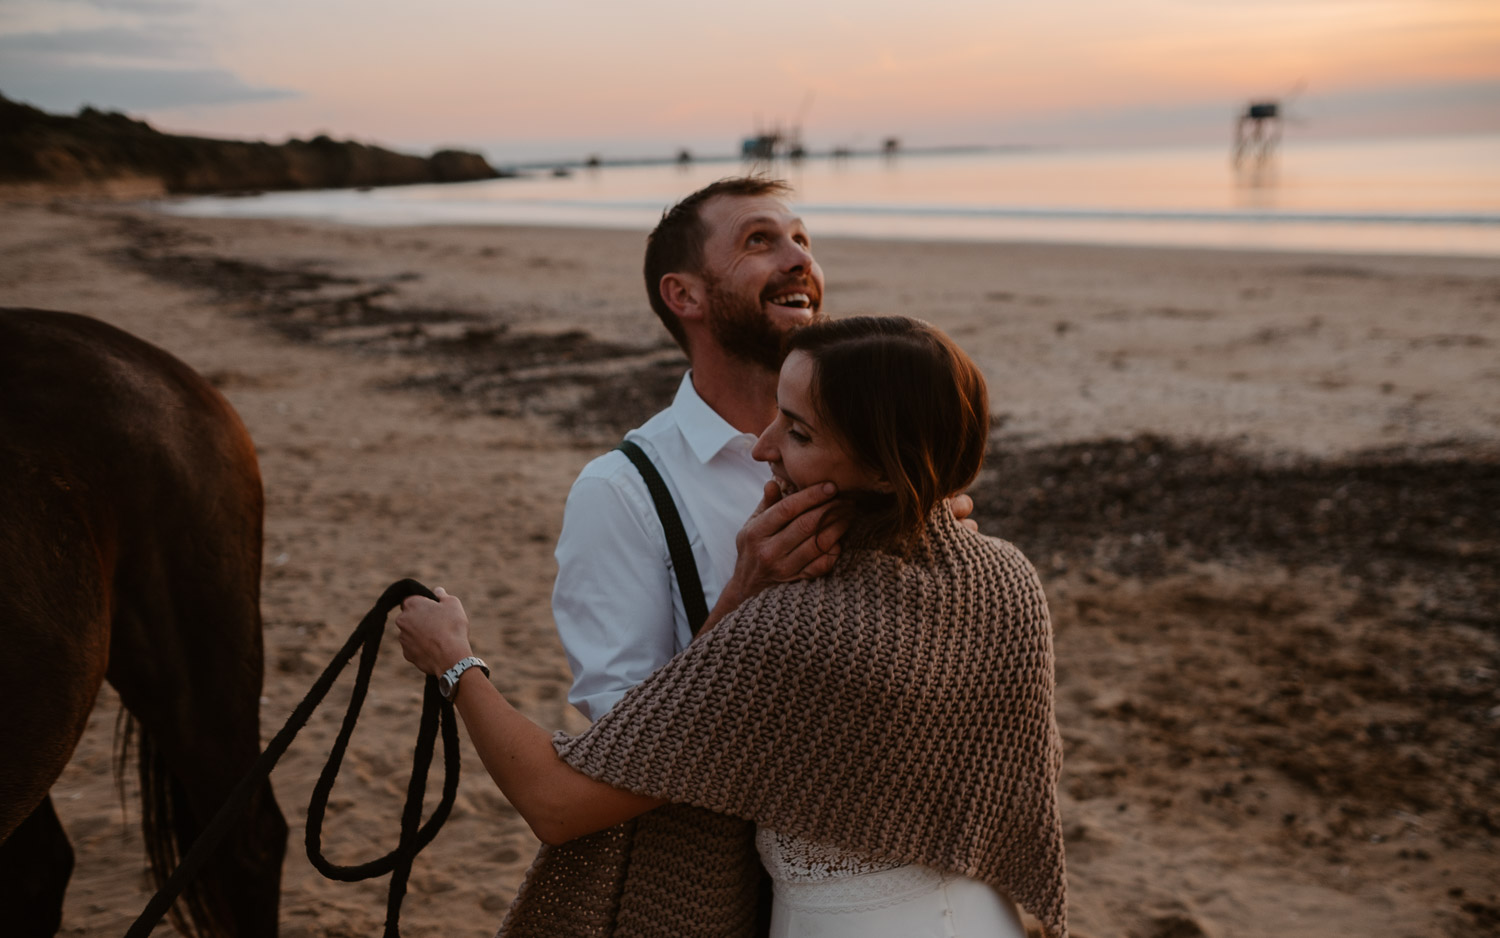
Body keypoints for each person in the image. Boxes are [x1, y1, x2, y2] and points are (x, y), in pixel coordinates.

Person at [397, 316, 1068, 938]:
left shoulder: (792, 627)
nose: (763, 447)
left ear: (886, 471)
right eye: (778, 414)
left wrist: (454, 661)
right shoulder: (1009, 577)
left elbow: (556, 802)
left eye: (799, 433)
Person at [551, 176, 976, 722]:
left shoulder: (876, 454)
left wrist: (949, 562)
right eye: (759, 240)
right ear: (684, 295)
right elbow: (616, 737)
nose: (800, 258)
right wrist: (743, 597)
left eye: (803, 240)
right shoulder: (619, 494)